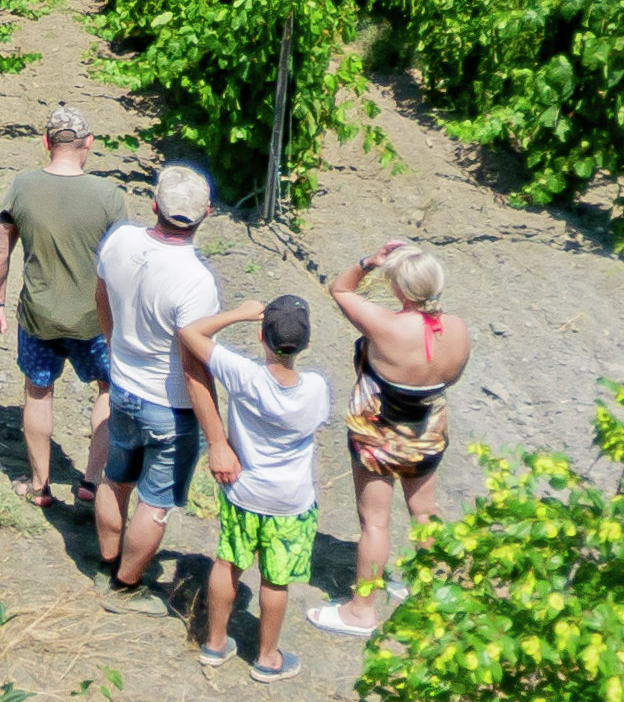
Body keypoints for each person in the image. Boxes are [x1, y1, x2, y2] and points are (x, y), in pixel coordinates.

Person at [315, 239, 469, 636]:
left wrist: (368, 260)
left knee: (375, 525)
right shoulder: (458, 330)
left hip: (378, 439)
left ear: (399, 289)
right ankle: (433, 592)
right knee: (424, 514)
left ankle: (361, 611)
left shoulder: (385, 326)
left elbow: (340, 289)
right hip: (427, 435)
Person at [0, 105, 124, 516]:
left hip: (39, 317)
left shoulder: (23, 188)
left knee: (38, 391)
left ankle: (41, 486)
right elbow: (124, 262)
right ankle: (92, 481)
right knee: (109, 388)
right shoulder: (108, 196)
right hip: (95, 321)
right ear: (88, 144)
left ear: (45, 143)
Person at [88, 161, 220, 611]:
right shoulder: (196, 281)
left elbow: (101, 295)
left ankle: (107, 559)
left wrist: (113, 343)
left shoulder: (121, 239)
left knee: (115, 477)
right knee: (156, 503)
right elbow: (194, 366)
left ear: (154, 205)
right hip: (170, 406)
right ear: (206, 213)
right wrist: (218, 435)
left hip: (123, 386)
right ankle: (126, 586)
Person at [180, 294, 330, 680]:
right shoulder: (315, 388)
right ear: (306, 344)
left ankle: (215, 644)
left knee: (228, 562)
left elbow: (189, 332)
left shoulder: (243, 374)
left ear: (262, 337)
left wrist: (240, 314)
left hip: (243, 491)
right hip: (291, 502)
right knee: (276, 580)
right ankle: (267, 657)